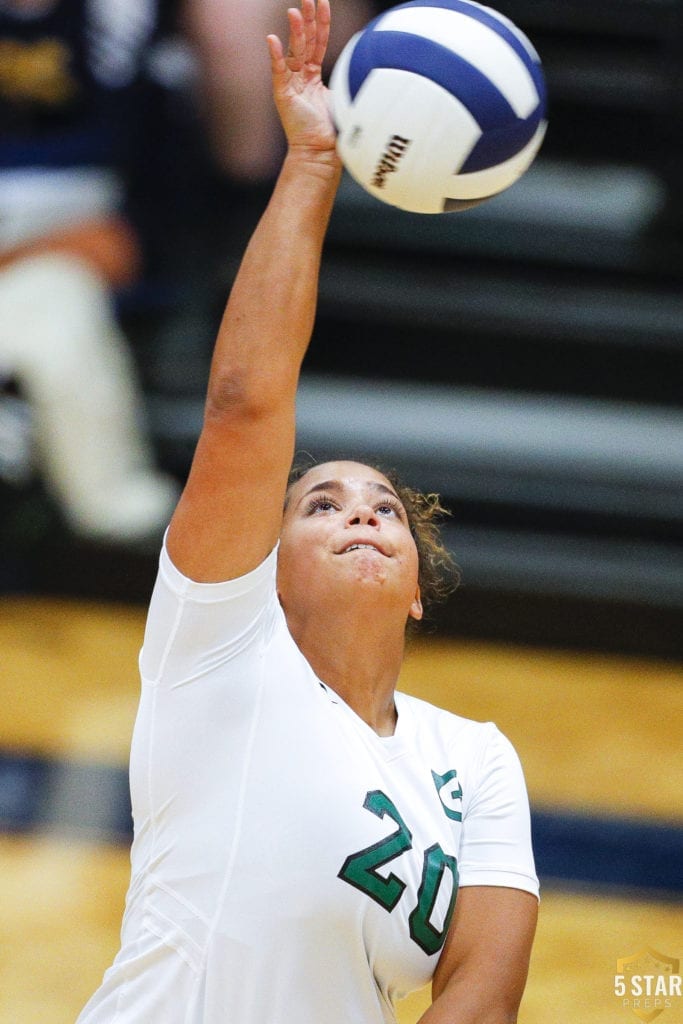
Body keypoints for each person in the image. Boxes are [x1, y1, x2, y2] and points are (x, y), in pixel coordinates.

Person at [77, 2, 539, 1021]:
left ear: (418, 588)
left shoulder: (475, 761)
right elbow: (246, 407)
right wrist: (312, 169)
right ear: (265, 570)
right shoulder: (218, 648)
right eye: (319, 504)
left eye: (382, 508)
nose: (361, 515)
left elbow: (481, 988)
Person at [0, 0, 179, 545]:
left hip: (61, 254)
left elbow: (120, 244)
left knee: (58, 304)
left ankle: (112, 506)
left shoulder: (122, 31)